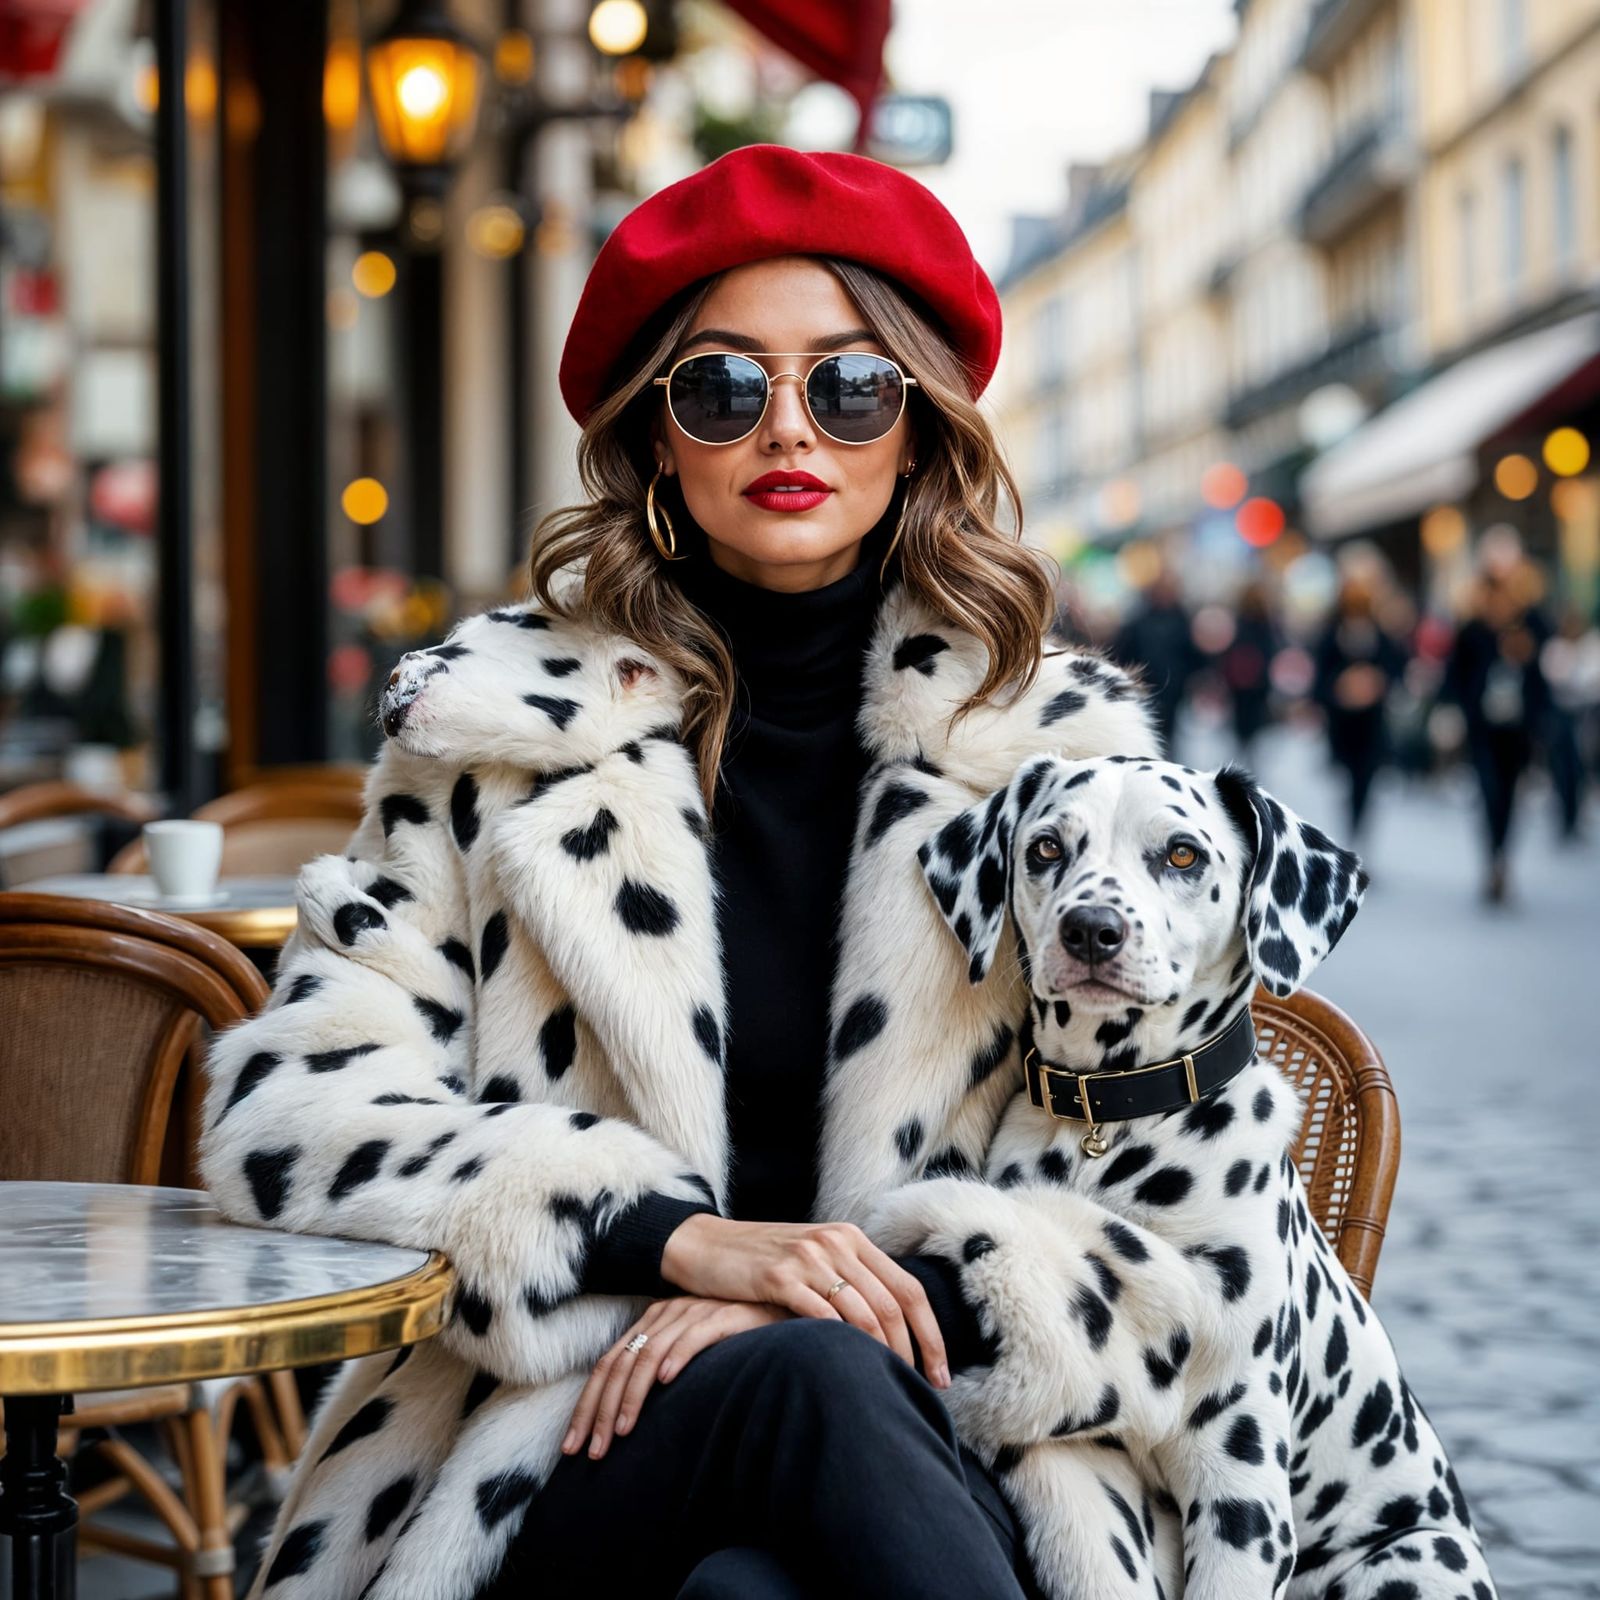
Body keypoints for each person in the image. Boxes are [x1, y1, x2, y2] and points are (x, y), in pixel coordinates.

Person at [201, 146, 1157, 1600]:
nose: (791, 427)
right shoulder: (497, 738)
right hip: (559, 1450)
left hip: (955, 1430)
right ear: (657, 437)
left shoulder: (1048, 766)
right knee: (802, 1393)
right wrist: (688, 1249)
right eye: (722, 388)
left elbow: (1158, 1196)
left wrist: (811, 1299)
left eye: (850, 387)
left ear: (917, 431)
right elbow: (293, 1112)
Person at [1444, 551, 1553, 902]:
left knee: (1510, 797)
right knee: (1489, 792)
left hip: (1519, 727)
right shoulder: (1473, 627)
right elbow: (1455, 676)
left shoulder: (1532, 623)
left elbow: (1545, 673)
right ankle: (1493, 859)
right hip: (1484, 726)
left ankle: (1502, 857)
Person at [1312, 570, 1406, 844]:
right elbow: (1320, 678)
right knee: (1348, 779)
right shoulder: (1332, 633)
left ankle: (1358, 831)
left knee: (1365, 779)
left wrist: (1375, 683)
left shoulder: (1380, 633)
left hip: (1371, 723)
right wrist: (1341, 687)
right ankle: (1351, 828)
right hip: (1342, 723)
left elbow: (1394, 670)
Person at [1111, 568, 1198, 758]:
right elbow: (1125, 652)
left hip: (1175, 688)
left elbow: (1191, 653)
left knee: (1170, 734)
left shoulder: (1182, 619)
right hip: (1147, 686)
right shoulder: (1140, 621)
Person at [1222, 579, 1280, 756]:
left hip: (1241, 685)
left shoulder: (1239, 622)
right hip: (1256, 684)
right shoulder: (1266, 624)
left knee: (1242, 723)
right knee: (1253, 722)